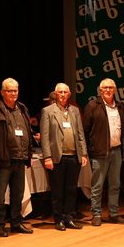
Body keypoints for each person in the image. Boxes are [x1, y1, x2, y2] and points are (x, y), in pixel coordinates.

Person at [0, 78, 35, 236]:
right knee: (0, 195)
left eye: (15, 90)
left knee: (18, 193)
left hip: (20, 158)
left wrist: (28, 155)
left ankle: (16, 222)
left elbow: (27, 132)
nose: (13, 93)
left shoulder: (22, 108)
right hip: (3, 160)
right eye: (9, 90)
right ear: (2, 92)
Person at [39, 83, 89, 231]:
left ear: (69, 94)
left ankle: (69, 217)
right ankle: (58, 219)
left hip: (74, 156)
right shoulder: (47, 111)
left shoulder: (74, 111)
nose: (62, 94)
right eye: (60, 92)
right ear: (55, 94)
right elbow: (45, 137)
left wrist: (84, 153)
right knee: (57, 190)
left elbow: (80, 134)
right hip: (56, 157)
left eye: (65, 92)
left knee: (71, 189)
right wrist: (47, 157)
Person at [83, 78, 124, 226]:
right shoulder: (93, 106)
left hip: (117, 151)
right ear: (100, 90)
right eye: (105, 88)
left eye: (110, 88)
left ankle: (113, 214)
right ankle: (96, 214)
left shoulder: (120, 106)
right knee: (97, 185)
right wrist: (90, 149)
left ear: (114, 90)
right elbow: (85, 130)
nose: (108, 90)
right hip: (100, 152)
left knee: (115, 184)